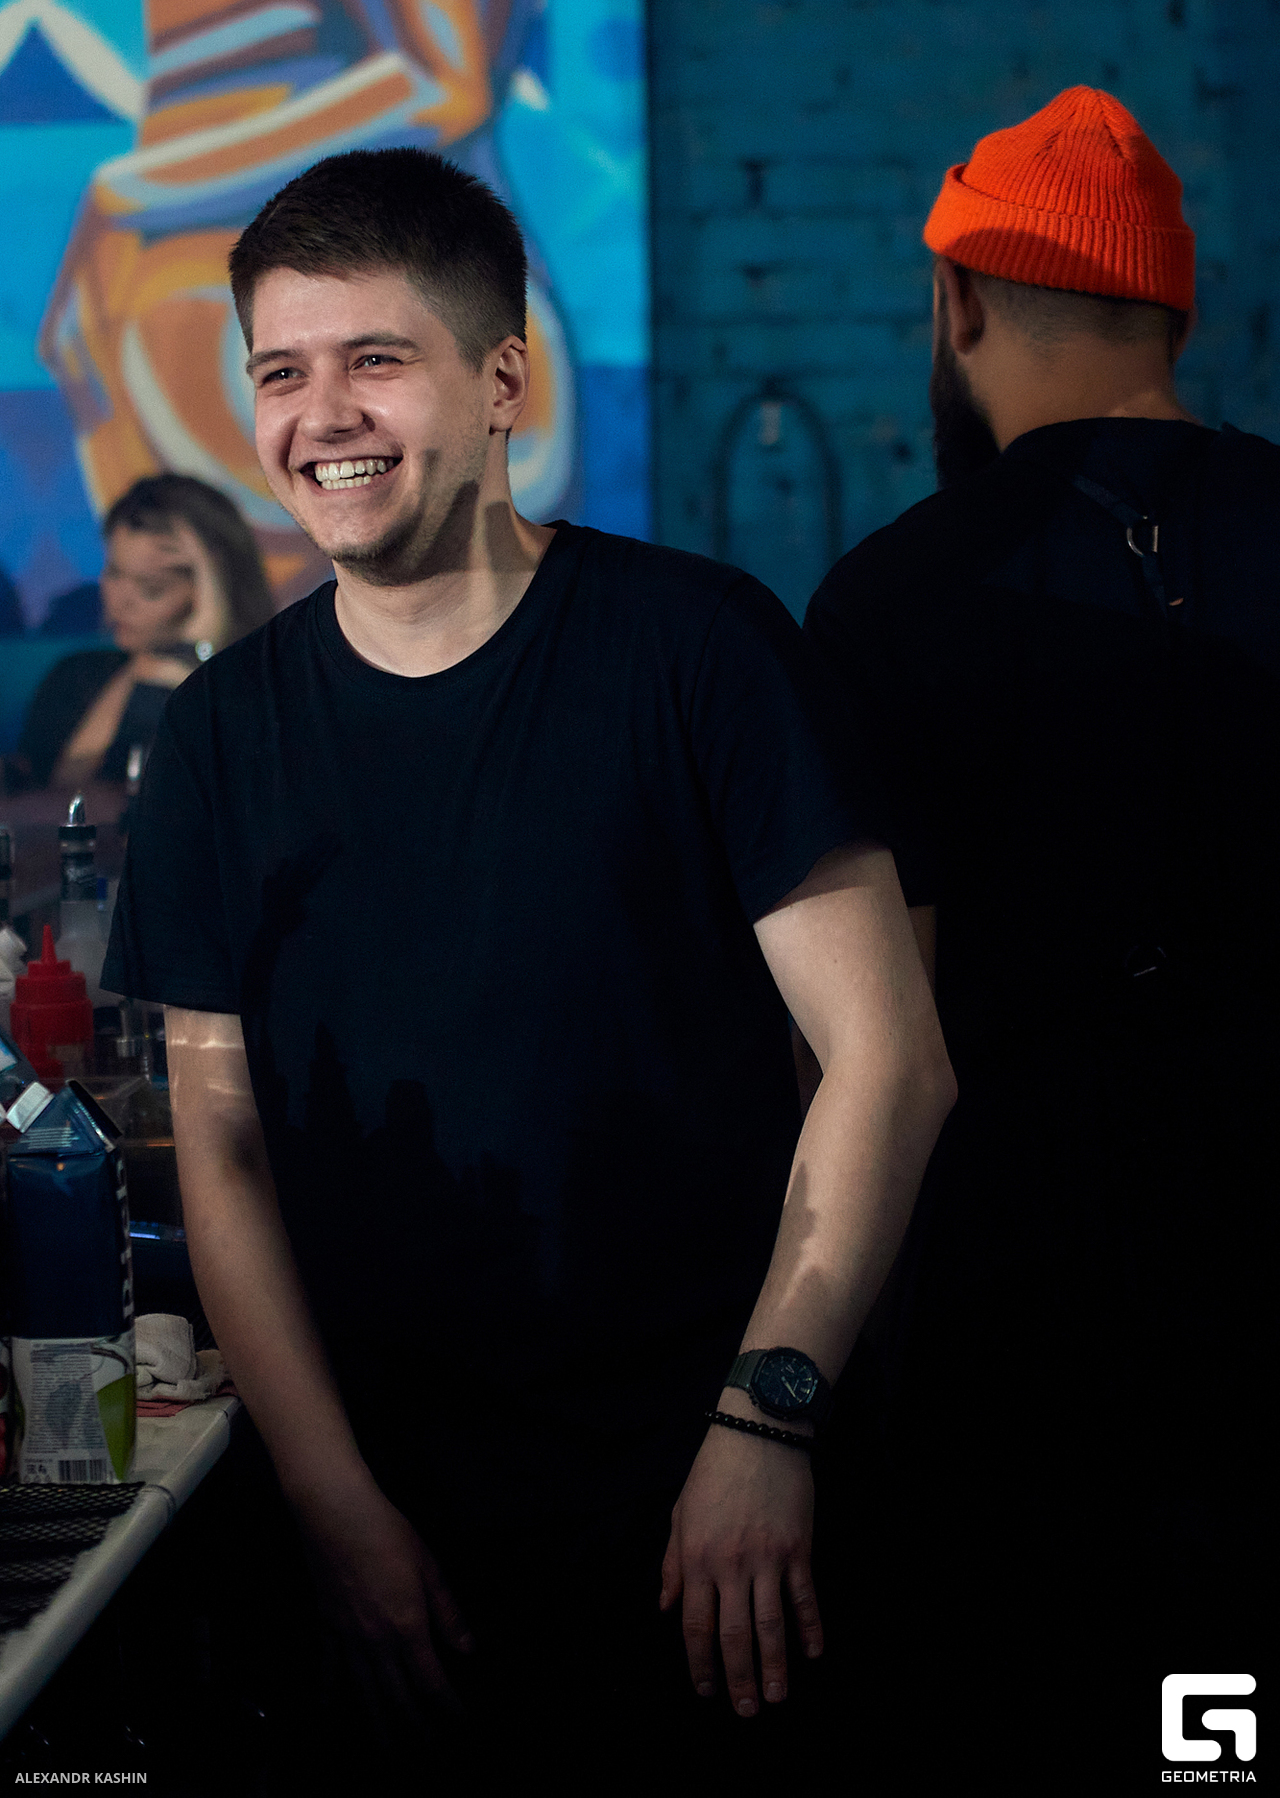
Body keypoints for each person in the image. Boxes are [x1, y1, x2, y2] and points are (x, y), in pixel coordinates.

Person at [102, 147, 955, 1785]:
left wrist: (766, 1422)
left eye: (375, 360)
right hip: (392, 1527)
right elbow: (221, 1141)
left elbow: (891, 1061)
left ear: (503, 383)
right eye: (281, 372)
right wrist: (332, 1505)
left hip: (708, 1500)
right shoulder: (216, 737)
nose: (322, 416)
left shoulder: (699, 651)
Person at [805, 87, 1277, 1779]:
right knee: (1224, 1738)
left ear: (960, 301)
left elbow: (886, 1041)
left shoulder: (893, 597)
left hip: (1017, 1315)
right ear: (1174, 312)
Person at [5, 475, 274, 792]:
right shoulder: (77, 673)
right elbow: (43, 794)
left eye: (151, 589)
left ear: (211, 591)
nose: (121, 601)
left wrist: (198, 651)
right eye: (114, 573)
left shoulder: (244, 696)